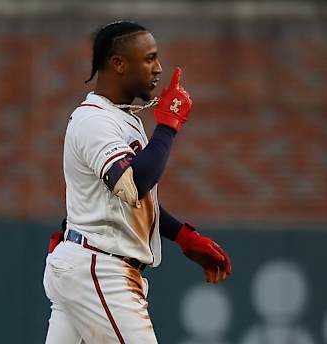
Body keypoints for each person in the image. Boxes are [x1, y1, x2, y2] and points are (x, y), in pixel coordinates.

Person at [43, 20, 232, 344]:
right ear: (118, 63)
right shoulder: (94, 120)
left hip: (88, 263)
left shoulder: (121, 118)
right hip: (100, 268)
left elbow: (131, 202)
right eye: (149, 58)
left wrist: (183, 236)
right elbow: (134, 183)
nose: (158, 68)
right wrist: (169, 124)